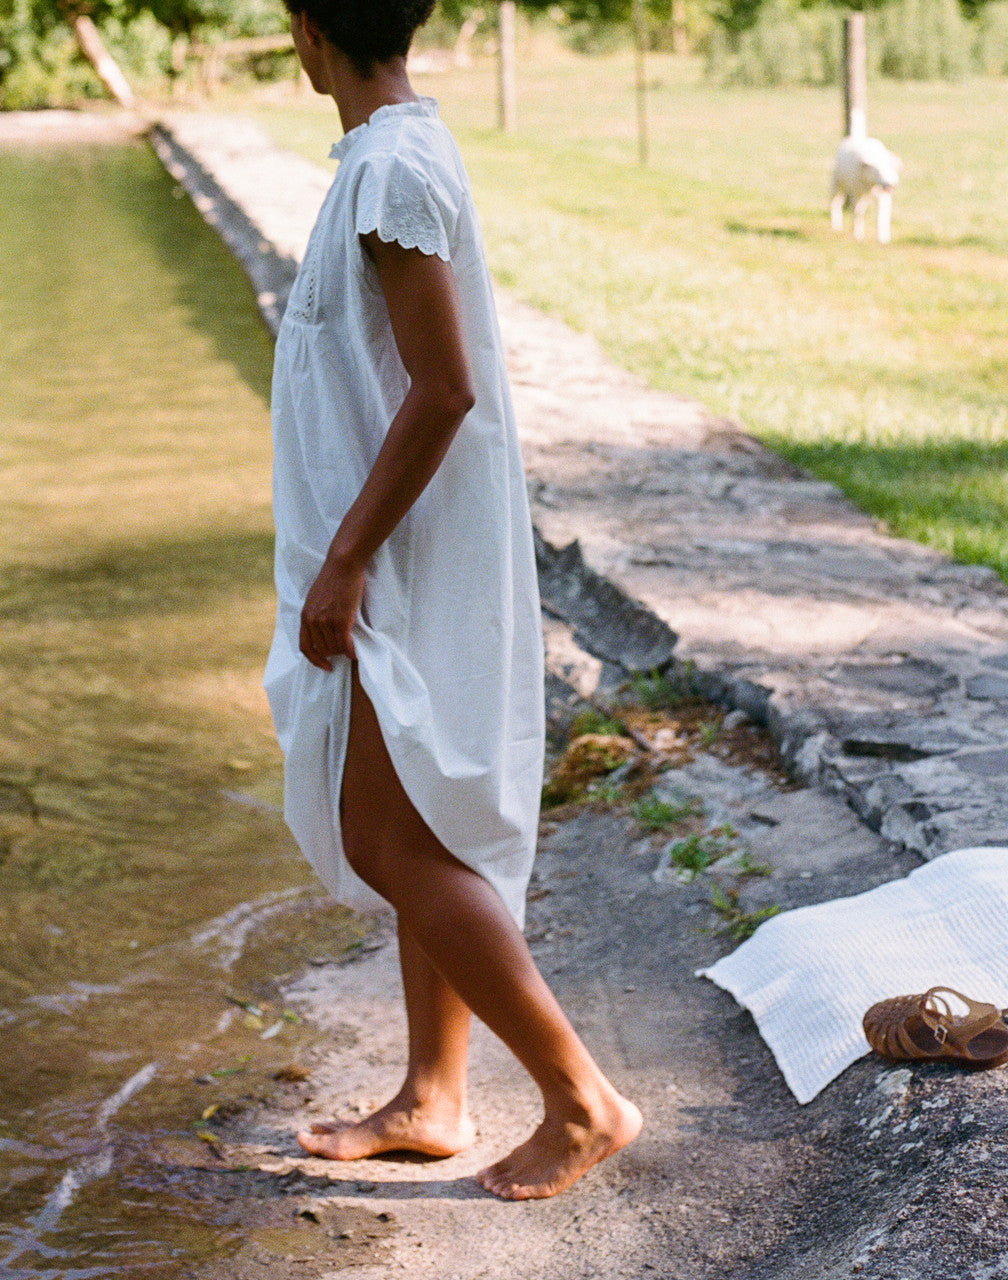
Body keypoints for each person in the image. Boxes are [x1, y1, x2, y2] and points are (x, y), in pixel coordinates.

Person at [262, 0, 642, 1201]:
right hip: (394, 541)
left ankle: (580, 1099)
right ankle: (434, 1093)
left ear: (306, 30)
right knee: (414, 819)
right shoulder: (395, 150)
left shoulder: (388, 171)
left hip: (400, 551)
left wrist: (345, 557)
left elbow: (440, 390)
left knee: (387, 834)